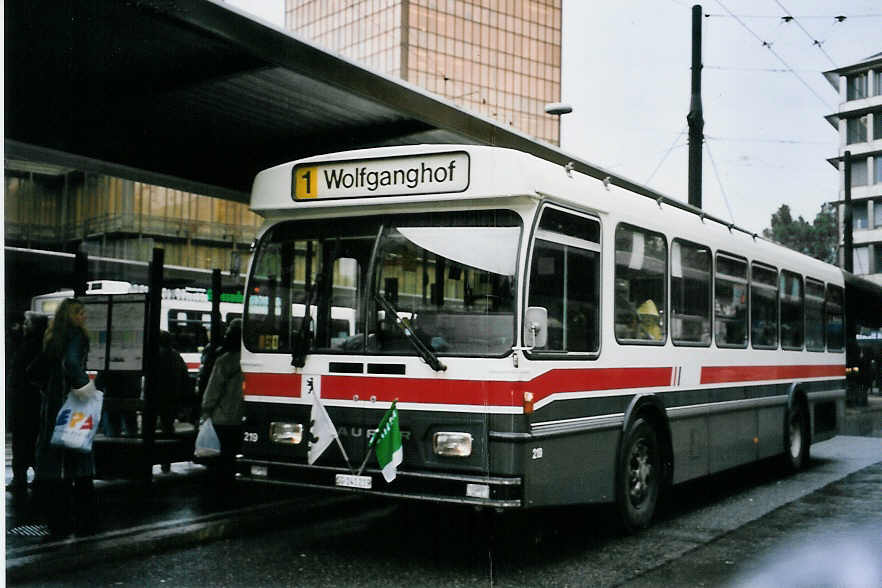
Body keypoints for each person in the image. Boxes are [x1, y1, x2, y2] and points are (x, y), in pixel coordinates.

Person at [32, 298, 97, 537]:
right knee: (80, 462)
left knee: (55, 464)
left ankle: (58, 521)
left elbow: (37, 373)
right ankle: (85, 521)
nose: (84, 317)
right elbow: (72, 364)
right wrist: (86, 389)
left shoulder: (53, 338)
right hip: (74, 407)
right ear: (71, 316)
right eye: (80, 313)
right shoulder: (77, 336)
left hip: (53, 408)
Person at [6, 312, 49, 492]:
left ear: (34, 326)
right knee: (33, 439)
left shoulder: (29, 346)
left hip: (25, 400)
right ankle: (37, 476)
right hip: (31, 400)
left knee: (22, 439)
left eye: (27, 323)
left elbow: (25, 373)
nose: (24, 326)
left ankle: (20, 478)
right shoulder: (40, 344)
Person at [200, 319, 243, 479]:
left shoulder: (223, 360)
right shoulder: (251, 361)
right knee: (232, 455)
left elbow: (213, 391)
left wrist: (205, 411)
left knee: (218, 458)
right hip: (240, 418)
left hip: (221, 418)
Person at [154, 330, 191, 436]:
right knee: (167, 423)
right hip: (172, 394)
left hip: (158, 393)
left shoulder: (156, 355)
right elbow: (184, 376)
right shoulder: (176, 355)